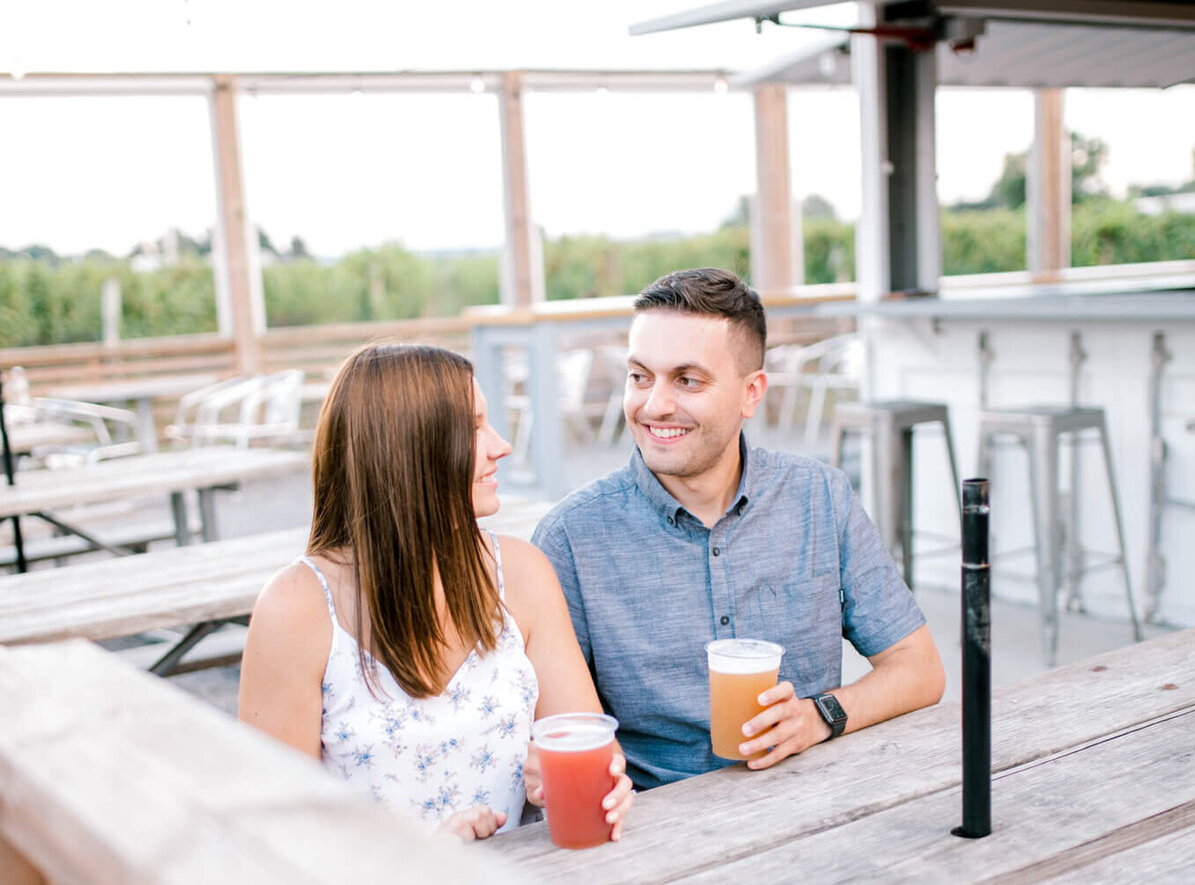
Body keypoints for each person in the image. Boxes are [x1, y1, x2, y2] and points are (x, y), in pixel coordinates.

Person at [531, 269, 945, 791]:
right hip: (658, 828)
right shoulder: (571, 538)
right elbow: (564, 737)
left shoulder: (819, 497)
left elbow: (920, 668)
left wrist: (819, 717)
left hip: (816, 802)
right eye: (640, 376)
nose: (654, 404)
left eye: (687, 380)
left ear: (752, 393)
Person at [238, 341, 632, 841]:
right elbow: (270, 835)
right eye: (473, 428)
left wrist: (593, 784)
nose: (501, 445)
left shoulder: (523, 573)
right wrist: (426, 857)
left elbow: (592, 748)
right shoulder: (295, 609)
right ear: (407, 449)